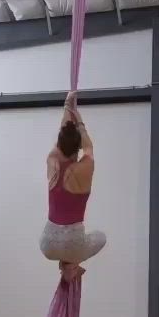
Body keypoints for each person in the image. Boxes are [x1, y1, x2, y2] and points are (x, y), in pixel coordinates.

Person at [40, 91, 106, 281]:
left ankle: (69, 265)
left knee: (73, 246)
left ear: (59, 144)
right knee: (101, 237)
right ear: (77, 147)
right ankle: (70, 266)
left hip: (48, 244)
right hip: (73, 243)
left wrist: (68, 108)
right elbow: (89, 148)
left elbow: (63, 137)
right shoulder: (85, 167)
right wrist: (80, 123)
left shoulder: (52, 162)